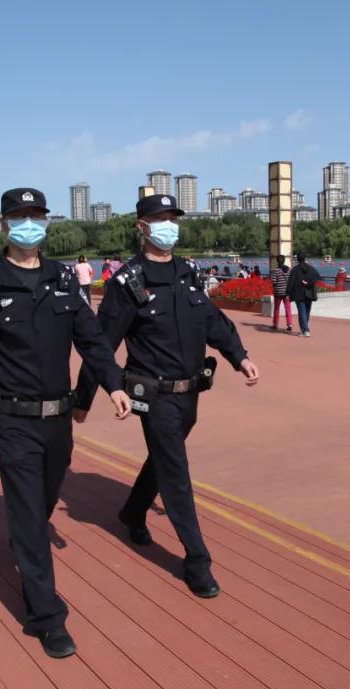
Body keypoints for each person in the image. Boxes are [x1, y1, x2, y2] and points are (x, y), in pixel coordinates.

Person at [0, 187, 131, 659]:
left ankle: (27, 539)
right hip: (14, 421)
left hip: (58, 420)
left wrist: (114, 384)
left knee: (42, 501)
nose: (28, 222)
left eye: (35, 215)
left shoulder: (64, 280)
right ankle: (46, 616)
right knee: (26, 512)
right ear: (3, 224)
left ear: (46, 222)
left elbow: (93, 341)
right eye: (18, 215)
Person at [75, 193, 260, 600]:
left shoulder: (189, 272)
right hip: (153, 394)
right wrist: (84, 397)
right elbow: (101, 343)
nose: (168, 225)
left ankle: (132, 511)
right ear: (141, 227)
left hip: (191, 390)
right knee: (176, 472)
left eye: (172, 217)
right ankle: (197, 561)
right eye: (158, 218)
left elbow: (211, 319)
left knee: (164, 458)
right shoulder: (128, 282)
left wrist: (238, 355)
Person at [286, 252, 322, 337]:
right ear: (305, 259)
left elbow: (291, 282)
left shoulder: (295, 269)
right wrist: (308, 283)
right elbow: (318, 277)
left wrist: (288, 292)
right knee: (307, 312)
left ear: (297, 259)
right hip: (309, 293)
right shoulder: (311, 269)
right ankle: (303, 329)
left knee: (301, 312)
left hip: (299, 293)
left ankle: (305, 330)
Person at [270, 255, 293, 332]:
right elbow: (291, 281)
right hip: (287, 293)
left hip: (278, 293)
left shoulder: (276, 271)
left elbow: (273, 282)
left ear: (277, 261)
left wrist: (277, 285)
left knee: (276, 309)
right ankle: (289, 325)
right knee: (288, 308)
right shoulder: (289, 270)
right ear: (284, 260)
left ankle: (275, 324)